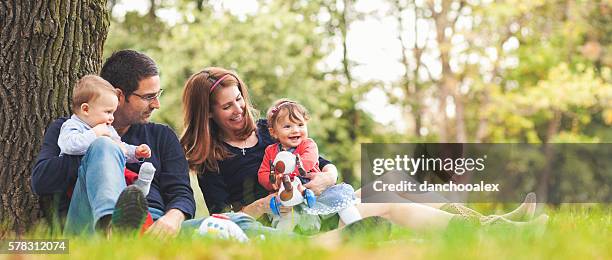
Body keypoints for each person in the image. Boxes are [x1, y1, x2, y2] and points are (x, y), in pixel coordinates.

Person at [180, 67, 547, 238]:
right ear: (208, 113)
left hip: (324, 202)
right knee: (388, 202)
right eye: (226, 106)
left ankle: (489, 224)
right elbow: (227, 219)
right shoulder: (211, 160)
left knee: (395, 181)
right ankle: (500, 234)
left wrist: (327, 176)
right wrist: (277, 200)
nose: (239, 108)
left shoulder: (268, 130)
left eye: (239, 98)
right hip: (293, 225)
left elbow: (324, 166)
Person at [31, 50, 195, 237]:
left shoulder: (161, 135)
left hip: (153, 227)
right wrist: (95, 151)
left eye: (158, 94)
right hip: (91, 226)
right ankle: (114, 227)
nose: (156, 104)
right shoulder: (71, 130)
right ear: (119, 96)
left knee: (229, 223)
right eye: (148, 97)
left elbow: (181, 192)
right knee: (104, 145)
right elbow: (41, 181)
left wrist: (172, 219)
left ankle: (135, 238)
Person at [257, 99, 362, 231]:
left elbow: (309, 160)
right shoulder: (270, 151)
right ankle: (280, 240)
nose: (295, 130)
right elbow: (263, 173)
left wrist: (288, 173)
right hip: (290, 196)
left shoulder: (308, 144)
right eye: (287, 126)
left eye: (300, 125)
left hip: (315, 192)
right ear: (273, 132)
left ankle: (357, 224)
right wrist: (274, 180)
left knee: (341, 202)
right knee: (286, 217)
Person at [58, 75, 155, 197]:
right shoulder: (73, 125)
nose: (112, 117)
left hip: (109, 172)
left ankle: (136, 190)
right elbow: (69, 145)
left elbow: (119, 146)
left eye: (113, 112)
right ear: (86, 109)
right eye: (108, 112)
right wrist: (95, 134)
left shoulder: (107, 128)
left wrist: (135, 152)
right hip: (82, 179)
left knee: (122, 172)